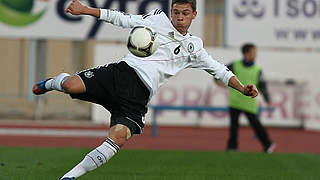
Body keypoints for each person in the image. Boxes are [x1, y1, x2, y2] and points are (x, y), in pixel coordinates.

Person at [33, 0, 258, 179]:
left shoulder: (194, 47)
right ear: (170, 11)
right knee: (70, 85)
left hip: (139, 94)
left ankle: (69, 176)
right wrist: (85, 10)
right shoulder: (158, 20)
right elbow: (122, 19)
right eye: (176, 12)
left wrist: (241, 88)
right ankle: (54, 82)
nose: (180, 17)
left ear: (194, 15)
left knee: (118, 138)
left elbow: (219, 70)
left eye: (185, 13)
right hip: (121, 74)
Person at [215, 43, 275, 153]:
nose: (255, 55)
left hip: (249, 102)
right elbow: (220, 71)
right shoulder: (235, 65)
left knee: (256, 126)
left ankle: (268, 144)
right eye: (253, 52)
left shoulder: (257, 69)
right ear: (246, 53)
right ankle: (232, 147)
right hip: (235, 101)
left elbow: (262, 86)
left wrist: (268, 100)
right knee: (234, 127)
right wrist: (217, 81)